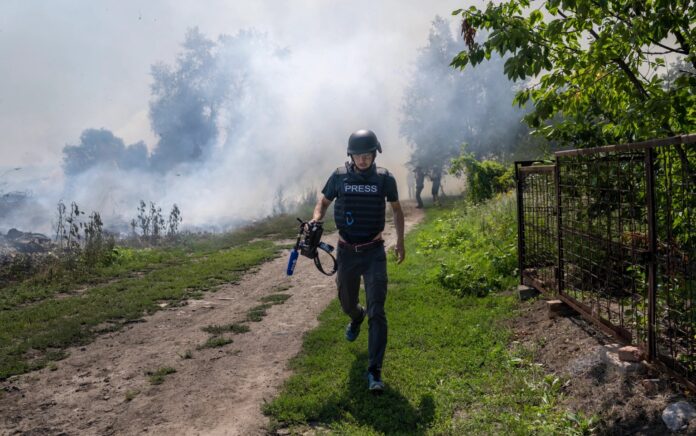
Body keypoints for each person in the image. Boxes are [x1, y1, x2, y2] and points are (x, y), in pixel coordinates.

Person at [310, 129, 405, 392]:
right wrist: (316, 219)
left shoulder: (385, 179)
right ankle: (355, 316)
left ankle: (374, 372)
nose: (362, 160)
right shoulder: (339, 176)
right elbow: (323, 202)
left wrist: (400, 241)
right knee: (347, 303)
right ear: (350, 155)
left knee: (378, 311)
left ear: (375, 154)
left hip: (374, 252)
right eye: (357, 155)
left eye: (367, 155)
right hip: (347, 251)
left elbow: (397, 210)